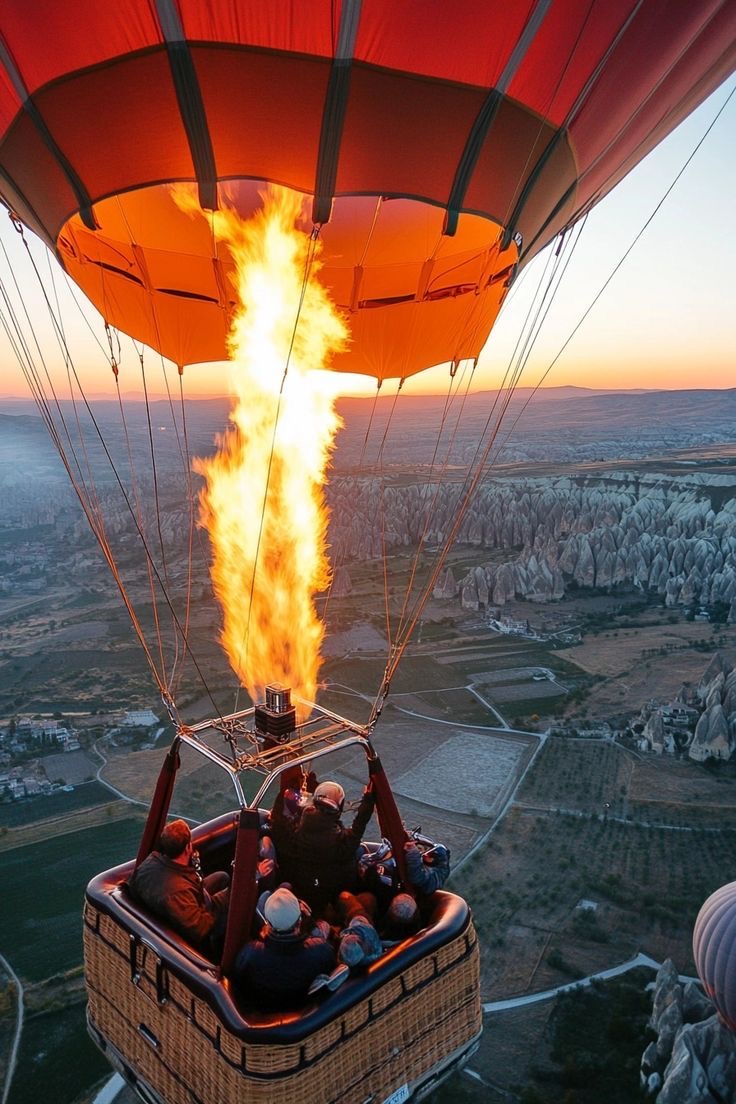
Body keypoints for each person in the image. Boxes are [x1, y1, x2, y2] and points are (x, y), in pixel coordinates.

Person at [272, 777, 376, 913]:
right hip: (335, 891)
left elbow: (278, 821)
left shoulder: (294, 835)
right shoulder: (345, 841)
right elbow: (360, 824)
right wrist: (368, 799)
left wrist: (284, 793)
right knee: (360, 851)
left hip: (305, 889)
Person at [128, 818, 230, 950]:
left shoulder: (151, 861)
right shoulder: (178, 892)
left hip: (184, 900)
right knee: (233, 901)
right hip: (190, 924)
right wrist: (229, 896)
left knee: (222, 877)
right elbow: (201, 929)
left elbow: (133, 885)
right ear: (188, 847)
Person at [233, 886, 336, 1008]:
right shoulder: (321, 949)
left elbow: (238, 982)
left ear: (267, 924)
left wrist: (263, 939)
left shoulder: (250, 954)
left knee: (265, 895)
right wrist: (311, 922)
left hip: (264, 1010)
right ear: (299, 922)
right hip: (306, 1008)